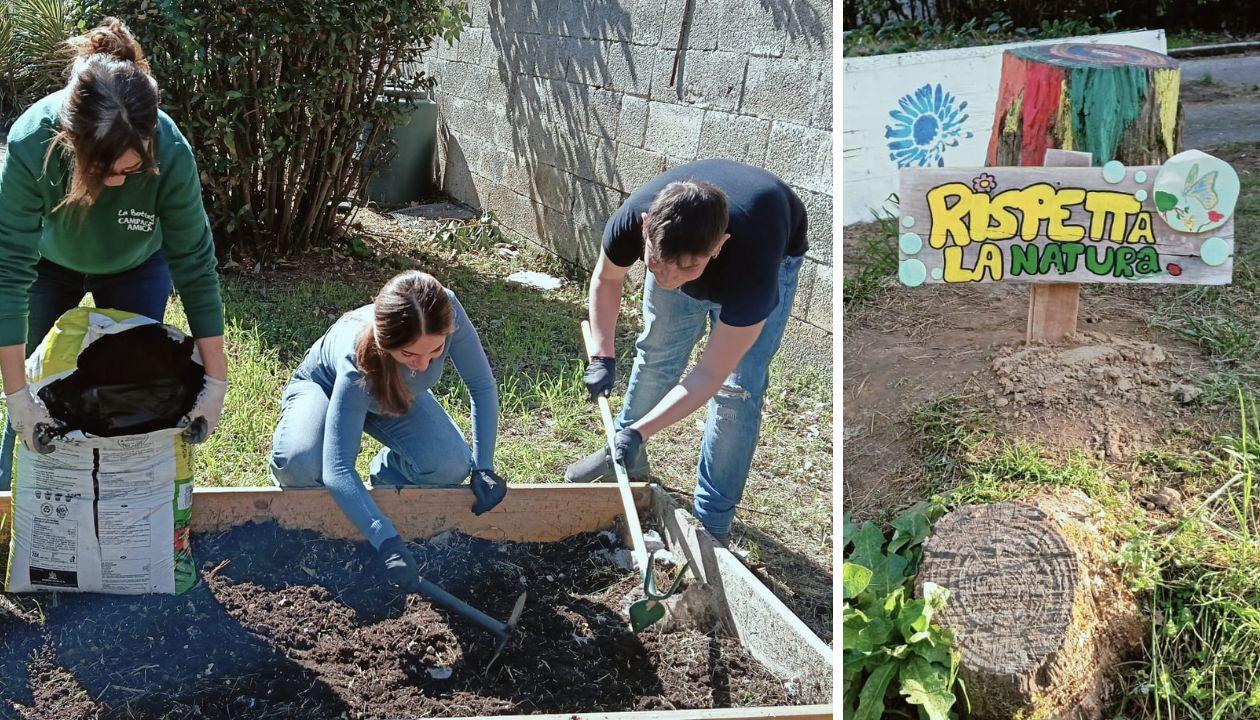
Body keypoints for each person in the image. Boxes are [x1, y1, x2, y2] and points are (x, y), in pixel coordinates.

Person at [0, 18, 227, 489]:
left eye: (133, 167)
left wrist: (215, 384)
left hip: (136, 264)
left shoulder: (172, 151)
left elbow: (195, 264)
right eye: (106, 171)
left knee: (131, 381)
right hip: (48, 264)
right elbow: (8, 274)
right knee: (38, 388)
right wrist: (16, 396)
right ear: (70, 145)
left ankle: (120, 494)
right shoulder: (30, 144)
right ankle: (13, 495)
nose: (121, 182)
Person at [564, 159, 808, 545]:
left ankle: (711, 524)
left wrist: (641, 431)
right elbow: (606, 279)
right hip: (686, 246)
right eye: (656, 265)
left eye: (685, 271)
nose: (669, 281)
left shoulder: (751, 271)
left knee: (736, 392)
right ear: (646, 228)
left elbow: (710, 375)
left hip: (771, 247)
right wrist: (602, 355)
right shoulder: (632, 221)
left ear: (718, 246)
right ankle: (624, 462)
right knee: (657, 354)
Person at [270, 270, 508, 591]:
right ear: (385, 342)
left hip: (392, 395)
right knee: (300, 466)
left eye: (434, 351)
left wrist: (484, 466)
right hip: (327, 388)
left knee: (450, 464)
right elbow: (338, 468)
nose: (423, 365)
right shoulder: (357, 358)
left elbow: (481, 386)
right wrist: (386, 540)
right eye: (409, 354)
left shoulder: (447, 311)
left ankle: (384, 475)